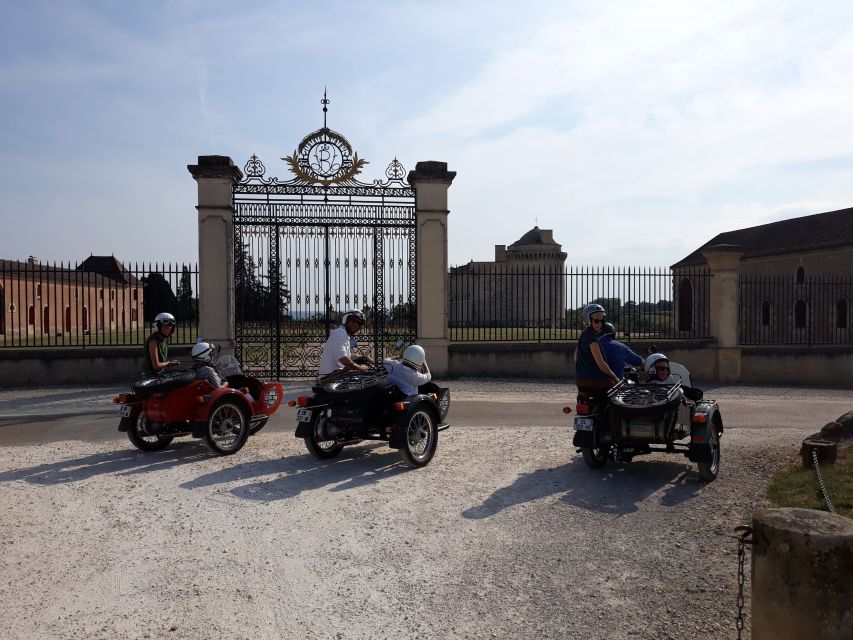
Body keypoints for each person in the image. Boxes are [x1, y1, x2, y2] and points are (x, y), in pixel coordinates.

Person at [574, 304, 621, 392]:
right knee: (619, 390)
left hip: (580, 380)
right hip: (595, 381)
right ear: (588, 320)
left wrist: (585, 368)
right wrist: (616, 378)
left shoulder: (583, 336)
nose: (600, 324)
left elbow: (576, 358)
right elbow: (601, 364)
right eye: (596, 321)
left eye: (602, 321)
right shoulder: (593, 341)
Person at [318, 309, 373, 376]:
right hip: (330, 378)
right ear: (346, 320)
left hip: (336, 374)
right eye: (353, 321)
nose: (355, 324)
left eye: (358, 323)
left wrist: (363, 357)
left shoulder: (345, 335)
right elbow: (343, 358)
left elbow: (348, 356)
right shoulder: (339, 333)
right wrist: (361, 368)